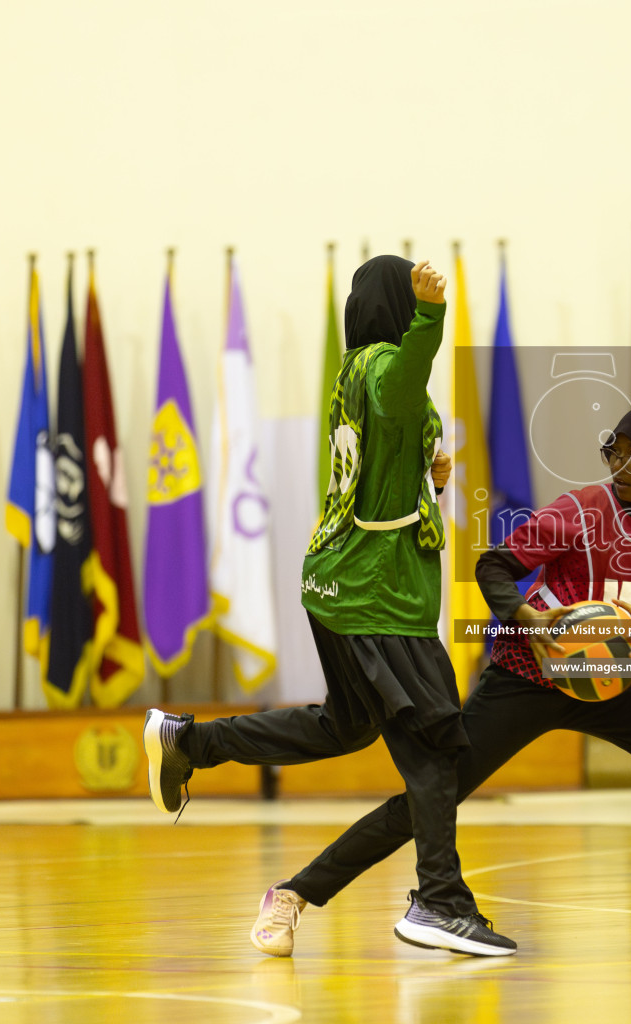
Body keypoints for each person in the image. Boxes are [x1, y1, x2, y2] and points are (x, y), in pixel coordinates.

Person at [157, 404, 631, 956]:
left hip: (611, 679)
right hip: (529, 675)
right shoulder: (584, 509)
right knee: (433, 798)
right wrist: (531, 620)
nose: (618, 464)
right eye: (614, 451)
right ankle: (292, 895)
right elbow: (494, 565)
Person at [143, 254, 516, 958]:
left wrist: (425, 475)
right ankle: (439, 900)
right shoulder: (381, 365)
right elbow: (402, 386)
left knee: (344, 728)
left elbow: (387, 449)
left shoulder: (353, 370)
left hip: (343, 586)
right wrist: (434, 314)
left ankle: (190, 743)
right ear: (396, 310)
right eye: (409, 299)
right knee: (437, 750)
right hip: (378, 597)